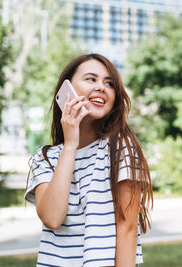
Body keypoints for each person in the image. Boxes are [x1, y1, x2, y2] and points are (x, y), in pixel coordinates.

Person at [24, 53, 153, 266]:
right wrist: (70, 145)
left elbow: (127, 229)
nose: (101, 87)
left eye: (109, 83)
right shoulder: (45, 158)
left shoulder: (121, 149)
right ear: (67, 90)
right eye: (91, 79)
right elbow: (52, 218)